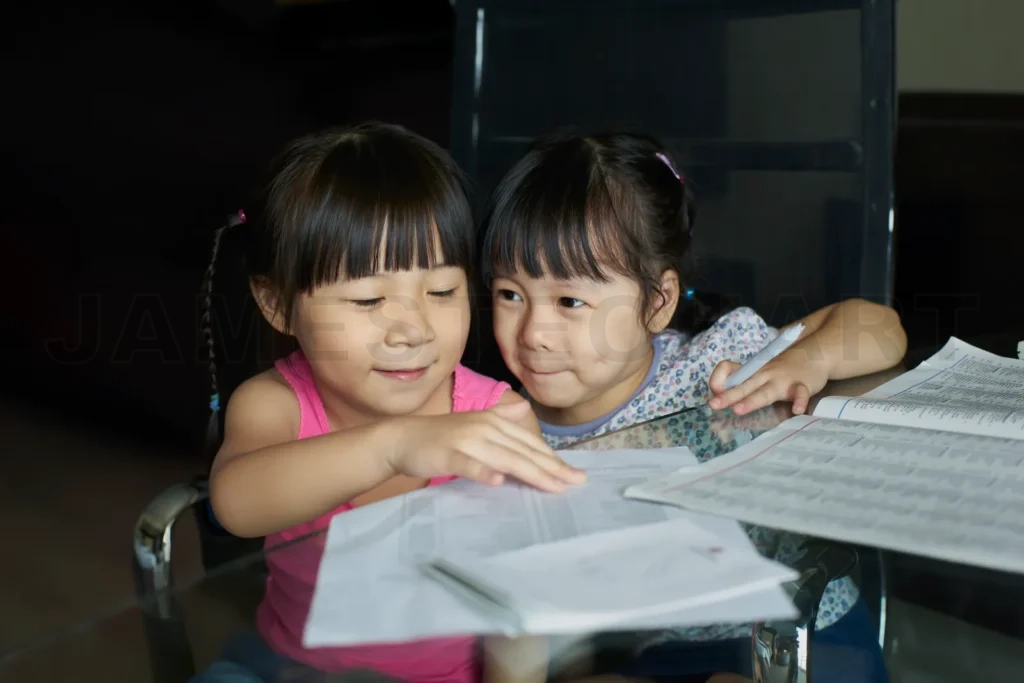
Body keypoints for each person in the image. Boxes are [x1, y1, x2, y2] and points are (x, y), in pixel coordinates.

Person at [478, 130, 907, 683]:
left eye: (569, 301)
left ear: (656, 304)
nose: (534, 332)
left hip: (798, 634)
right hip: (667, 651)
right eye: (510, 293)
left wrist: (809, 361)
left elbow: (883, 327)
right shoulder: (502, 417)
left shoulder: (717, 365)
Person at [192, 122, 585, 683]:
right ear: (278, 304)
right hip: (289, 666)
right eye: (369, 298)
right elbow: (235, 505)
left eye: (443, 292)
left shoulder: (498, 416)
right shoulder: (276, 404)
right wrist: (394, 445)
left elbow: (520, 602)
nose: (412, 330)